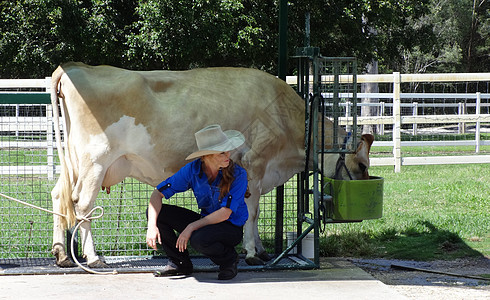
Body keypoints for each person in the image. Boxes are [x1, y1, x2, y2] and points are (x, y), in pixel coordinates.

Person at [146, 124, 249, 280]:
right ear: (206, 156)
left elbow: (225, 213)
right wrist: (151, 226)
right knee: (157, 213)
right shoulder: (192, 170)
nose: (228, 154)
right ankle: (179, 263)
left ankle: (229, 260)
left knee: (198, 239)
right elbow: (156, 195)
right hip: (206, 222)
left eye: (227, 150)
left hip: (230, 227)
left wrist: (191, 227)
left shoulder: (238, 174)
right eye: (221, 152)